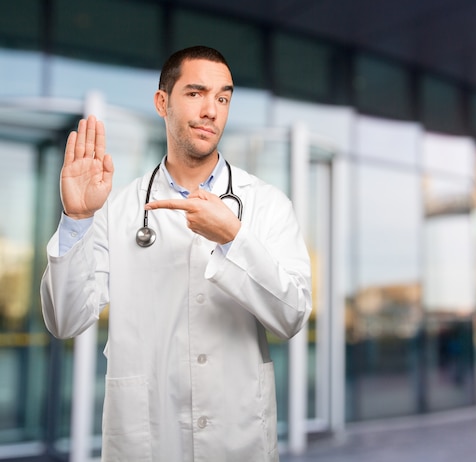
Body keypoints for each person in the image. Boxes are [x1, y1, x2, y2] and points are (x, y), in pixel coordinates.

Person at [40, 46, 312, 462]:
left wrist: (233, 237)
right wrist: (77, 218)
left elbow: (291, 316)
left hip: (238, 438)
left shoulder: (268, 205)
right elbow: (65, 319)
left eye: (223, 98)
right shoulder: (118, 208)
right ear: (162, 102)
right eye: (196, 93)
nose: (211, 110)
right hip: (146, 439)